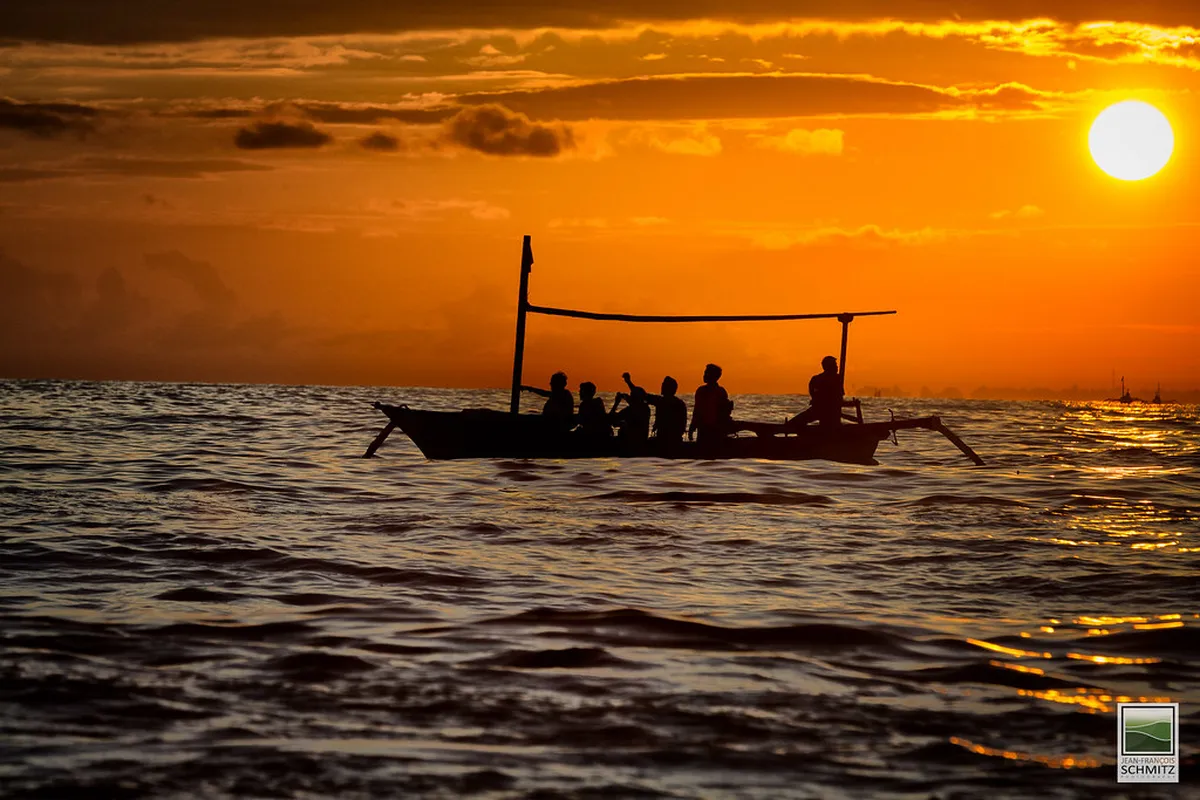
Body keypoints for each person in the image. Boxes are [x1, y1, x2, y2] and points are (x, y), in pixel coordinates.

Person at [787, 355, 854, 427]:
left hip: (826, 411)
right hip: (821, 410)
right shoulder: (830, 379)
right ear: (829, 367)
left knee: (795, 422)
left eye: (836, 365)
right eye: (834, 365)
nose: (837, 367)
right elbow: (836, 397)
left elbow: (838, 397)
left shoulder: (833, 379)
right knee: (796, 422)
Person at [623, 372, 687, 444]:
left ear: (668, 388)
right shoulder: (680, 403)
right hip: (676, 438)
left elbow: (643, 395)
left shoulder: (661, 401)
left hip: (664, 439)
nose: (661, 386)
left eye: (664, 384)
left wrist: (628, 382)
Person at [688, 363, 732, 444]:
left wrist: (692, 428)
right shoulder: (721, 391)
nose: (704, 375)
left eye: (706, 373)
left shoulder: (702, 391)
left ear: (713, 376)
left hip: (707, 429)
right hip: (716, 429)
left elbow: (697, 411)